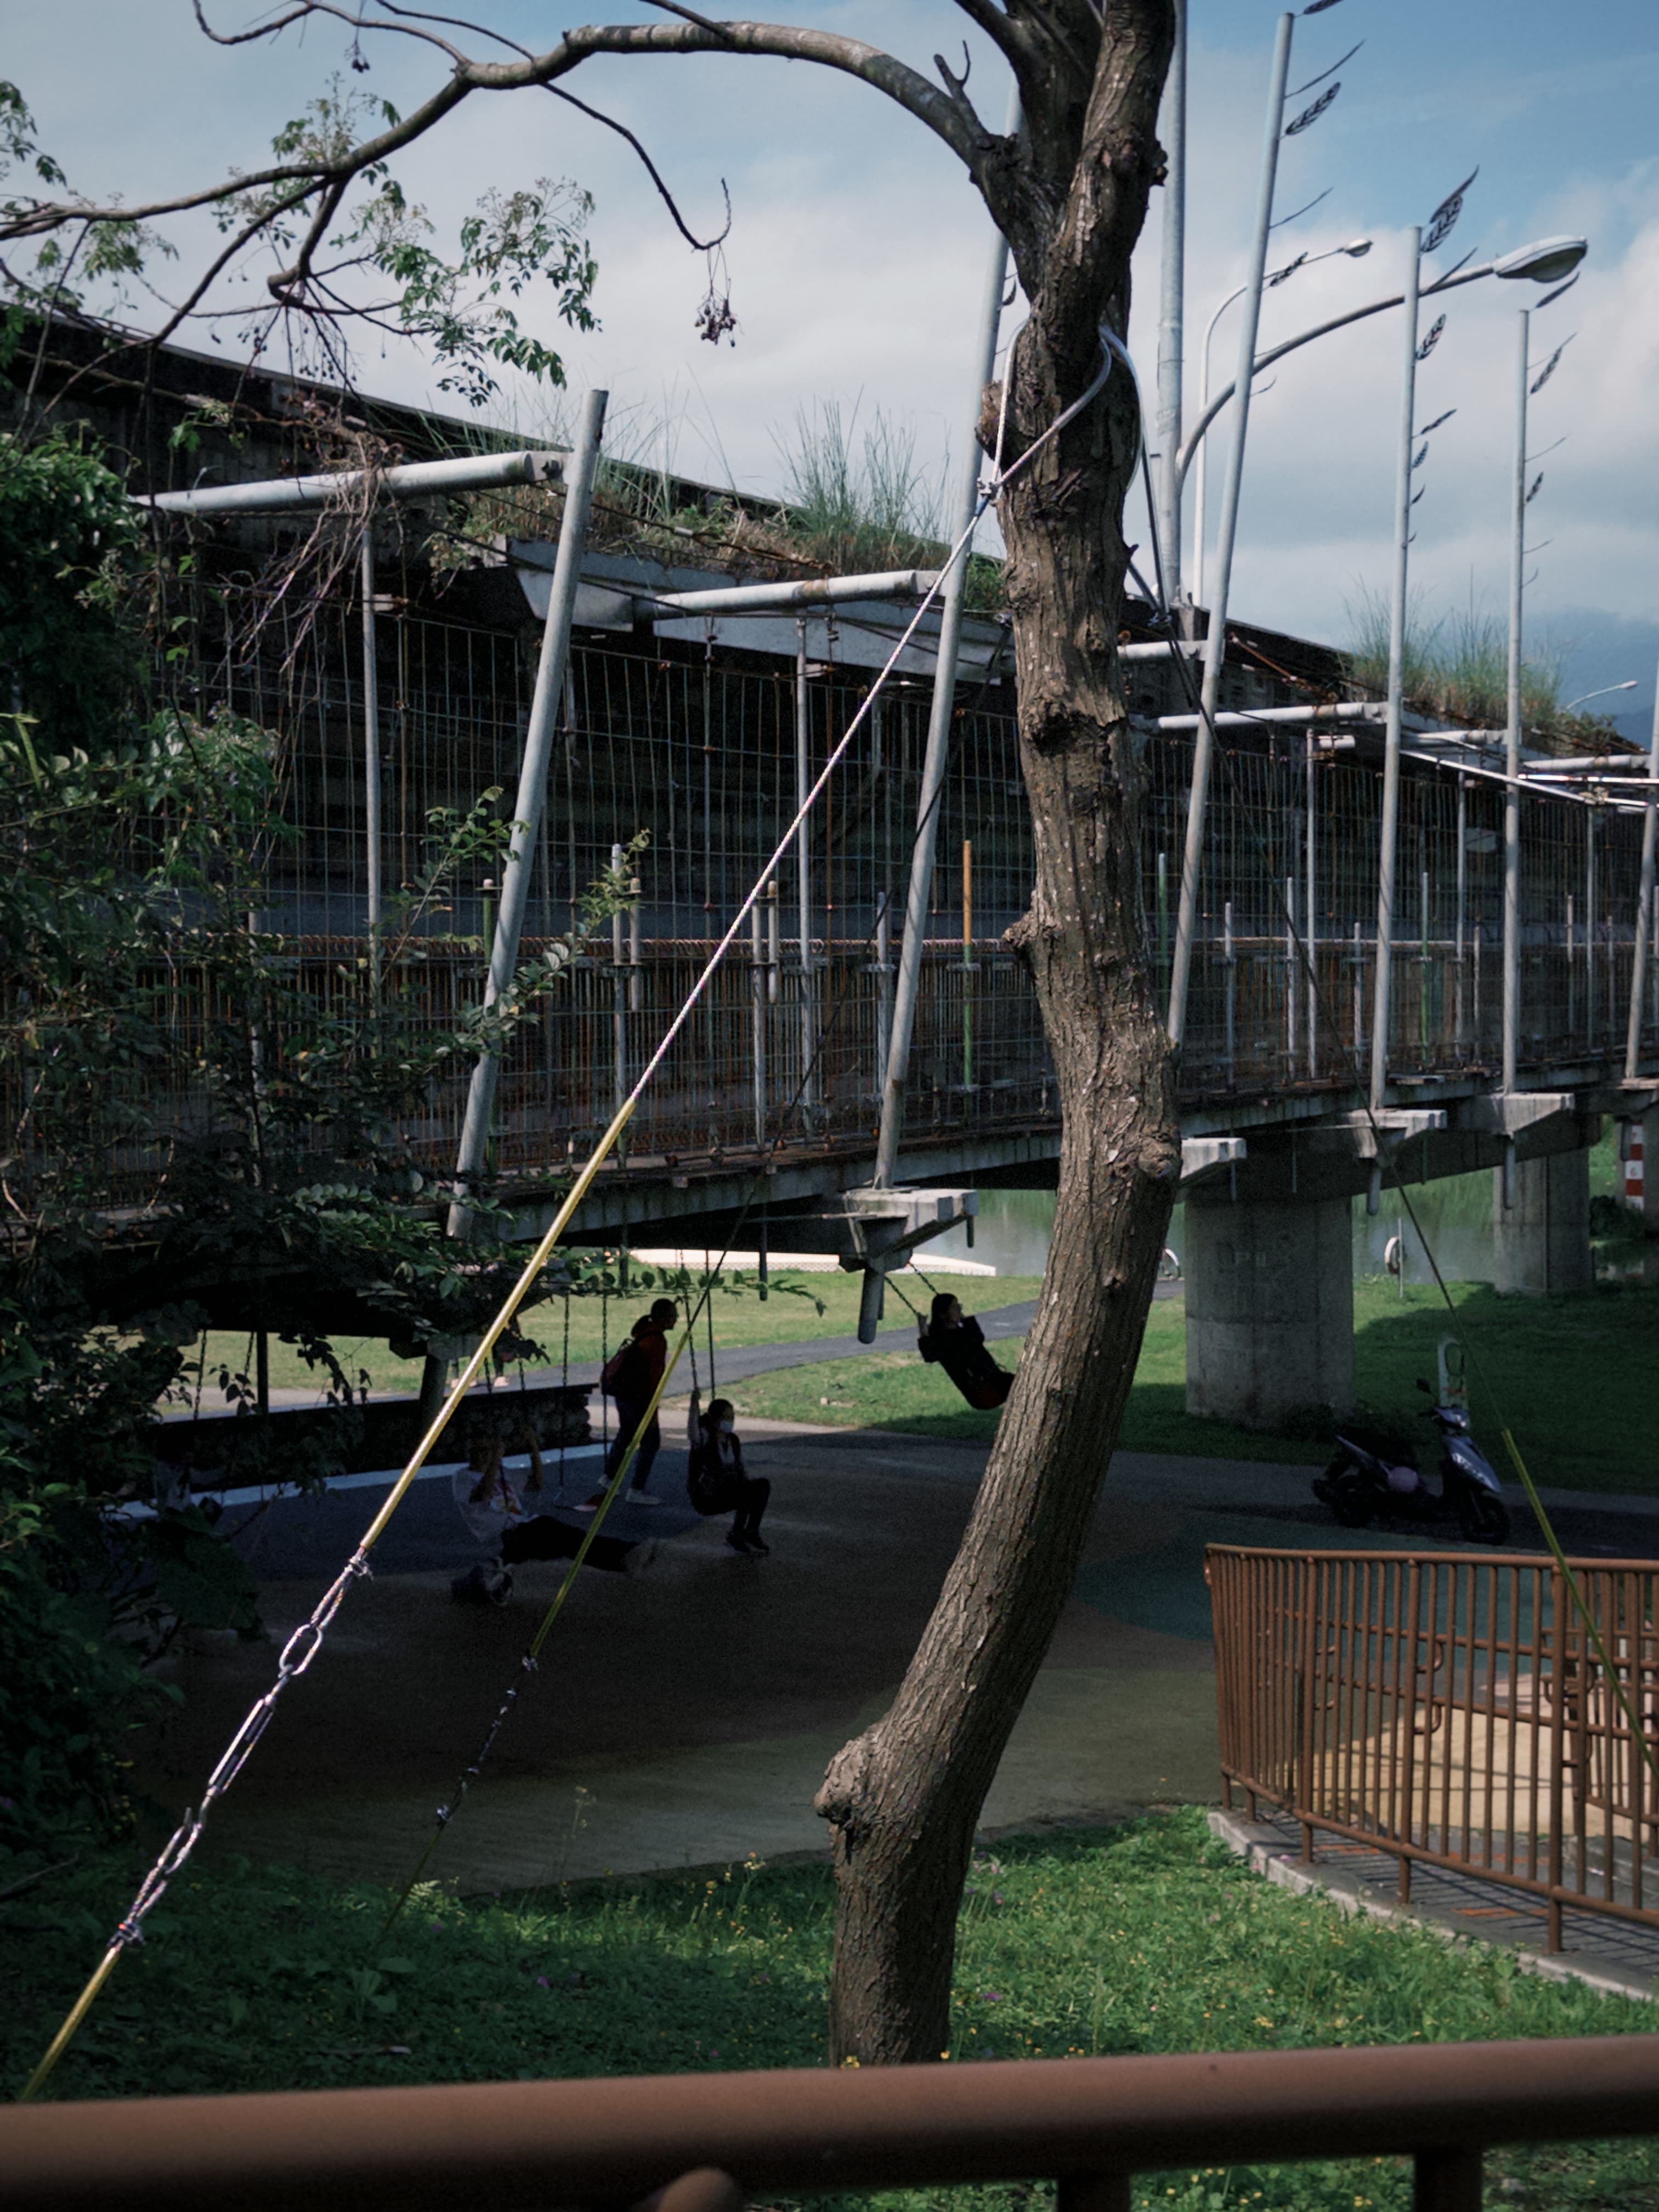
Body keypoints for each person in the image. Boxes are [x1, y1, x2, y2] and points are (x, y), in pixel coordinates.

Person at [451, 1427, 656, 1604]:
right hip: (507, 1534)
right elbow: (482, 1494)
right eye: (475, 1452)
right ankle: (625, 1555)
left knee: (572, 1542)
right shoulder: (462, 1477)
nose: (480, 1456)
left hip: (524, 1530)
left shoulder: (502, 1472)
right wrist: (496, 1459)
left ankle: (624, 1557)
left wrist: (533, 1446)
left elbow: (537, 1483)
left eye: (485, 1451)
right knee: (563, 1535)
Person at [584, 1296, 678, 1509]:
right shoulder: (657, 1341)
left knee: (626, 1434)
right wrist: (653, 1406)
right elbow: (654, 1376)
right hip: (641, 1398)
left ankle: (609, 1477)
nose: (676, 1320)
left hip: (625, 1395)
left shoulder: (643, 1335)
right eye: (673, 1316)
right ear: (664, 1317)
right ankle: (637, 1489)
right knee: (650, 1442)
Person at [686, 1388, 770, 1555]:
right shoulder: (704, 1440)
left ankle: (750, 1532)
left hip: (727, 1491)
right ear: (715, 1420)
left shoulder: (733, 1441)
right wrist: (694, 1404)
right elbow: (692, 1430)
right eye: (726, 1418)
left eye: (732, 1418)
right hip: (706, 1497)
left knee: (761, 1486)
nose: (730, 1422)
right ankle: (736, 1535)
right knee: (745, 1492)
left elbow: (741, 1468)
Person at [918, 1291, 1014, 1410]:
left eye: (959, 1306)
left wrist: (961, 1317)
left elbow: (978, 1337)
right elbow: (930, 1355)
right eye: (954, 1307)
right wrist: (923, 1333)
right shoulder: (943, 1340)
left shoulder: (960, 1333)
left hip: (994, 1383)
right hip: (983, 1392)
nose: (959, 1310)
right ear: (943, 1314)